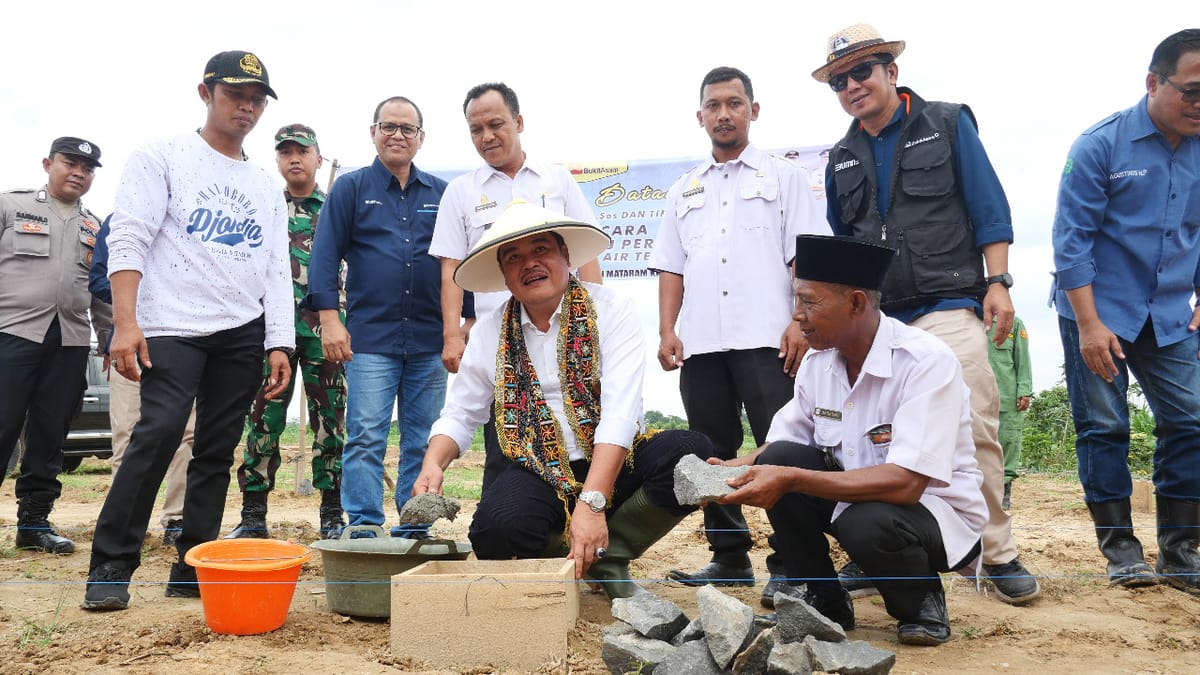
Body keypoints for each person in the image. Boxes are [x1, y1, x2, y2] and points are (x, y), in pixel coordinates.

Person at [815, 23, 1039, 605]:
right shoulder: (840, 158)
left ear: (892, 70)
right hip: (880, 317)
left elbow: (989, 205)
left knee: (974, 422)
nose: (851, 85)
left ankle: (997, 551)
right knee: (867, 438)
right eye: (839, 80)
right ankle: (876, 551)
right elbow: (847, 246)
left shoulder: (946, 121)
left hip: (947, 302)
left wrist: (999, 283)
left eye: (862, 71)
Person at [415, 201, 716, 599]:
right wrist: (432, 464)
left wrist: (592, 504)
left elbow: (620, 413)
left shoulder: (612, 310)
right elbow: (461, 413)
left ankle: (606, 558)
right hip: (538, 466)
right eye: (514, 257)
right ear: (505, 276)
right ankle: (568, 557)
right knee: (494, 530)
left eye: (541, 250)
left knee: (689, 452)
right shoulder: (490, 332)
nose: (530, 264)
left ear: (566, 256)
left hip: (613, 459)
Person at [82, 50, 293, 611]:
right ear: (206, 92)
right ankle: (111, 562)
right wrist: (125, 324)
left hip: (241, 331)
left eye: (255, 99)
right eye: (235, 95)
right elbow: (128, 239)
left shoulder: (263, 184)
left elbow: (275, 267)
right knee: (157, 434)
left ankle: (192, 563)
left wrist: (280, 342)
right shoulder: (162, 157)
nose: (246, 107)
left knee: (218, 449)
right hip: (171, 325)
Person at [719, 234, 986, 646]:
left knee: (862, 517)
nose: (797, 315)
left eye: (809, 302)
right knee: (786, 458)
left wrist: (789, 478)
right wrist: (730, 471)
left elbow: (907, 483)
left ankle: (919, 601)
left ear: (856, 303)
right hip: (857, 501)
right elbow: (784, 446)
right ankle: (825, 599)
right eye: (796, 301)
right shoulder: (818, 363)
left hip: (931, 515)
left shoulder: (925, 362)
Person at [651, 66, 830, 606]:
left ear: (754, 110)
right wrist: (667, 329)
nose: (724, 113)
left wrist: (800, 320)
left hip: (767, 340)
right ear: (700, 115)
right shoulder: (685, 189)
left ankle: (792, 561)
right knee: (711, 450)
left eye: (734, 103)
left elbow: (806, 257)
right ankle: (729, 556)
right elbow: (671, 268)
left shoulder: (783, 178)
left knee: (778, 446)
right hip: (702, 343)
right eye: (714, 105)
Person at [1051, 28, 1200, 593]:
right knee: (1105, 427)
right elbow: (1071, 242)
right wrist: (1089, 324)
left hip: (1170, 314)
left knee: (1191, 421)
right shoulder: (1100, 145)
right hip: (1098, 309)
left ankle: (1182, 553)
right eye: (1191, 90)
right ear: (1153, 83)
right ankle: (1121, 551)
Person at [306, 97, 448, 538]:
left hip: (430, 341)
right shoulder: (350, 189)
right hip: (370, 340)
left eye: (408, 129)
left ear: (421, 138)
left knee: (421, 439)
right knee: (366, 435)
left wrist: (462, 325)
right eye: (389, 126)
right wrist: (330, 320)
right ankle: (364, 526)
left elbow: (455, 264)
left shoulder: (442, 194)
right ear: (373, 132)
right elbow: (324, 256)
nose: (398, 135)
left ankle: (414, 528)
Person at [228, 124, 347, 541]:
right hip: (270, 332)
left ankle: (332, 512)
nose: (294, 158)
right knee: (263, 420)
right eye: (286, 152)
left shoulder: (335, 208)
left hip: (324, 333)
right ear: (277, 160)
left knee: (330, 422)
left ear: (319, 157)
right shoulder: (263, 207)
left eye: (302, 151)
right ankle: (254, 514)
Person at [0, 136, 108, 555]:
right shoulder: (11, 206)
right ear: (48, 163)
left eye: (88, 167)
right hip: (12, 333)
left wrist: (111, 339)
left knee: (51, 433)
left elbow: (100, 292)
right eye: (71, 163)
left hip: (71, 339)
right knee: (3, 423)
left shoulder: (95, 226)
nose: (79, 172)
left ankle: (34, 522)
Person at [89, 215, 195, 547]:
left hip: (183, 342)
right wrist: (146, 292)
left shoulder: (194, 217)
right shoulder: (120, 220)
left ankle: (176, 518)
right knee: (127, 433)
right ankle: (125, 519)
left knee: (188, 434)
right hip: (130, 344)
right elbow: (98, 279)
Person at [986, 315, 1032, 510]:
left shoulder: (1013, 323)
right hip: (974, 396)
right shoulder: (968, 319)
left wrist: (1024, 389)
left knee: (1008, 443)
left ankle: (1004, 494)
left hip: (1007, 395)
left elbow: (1022, 358)